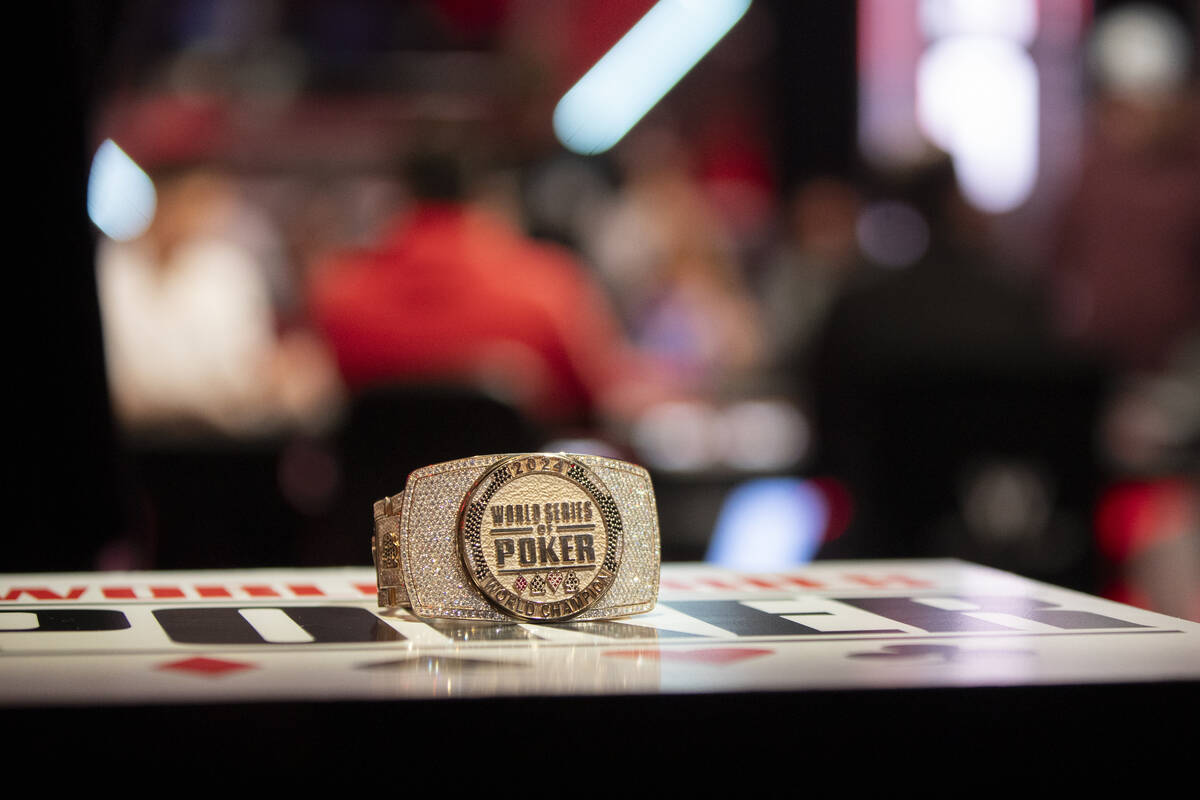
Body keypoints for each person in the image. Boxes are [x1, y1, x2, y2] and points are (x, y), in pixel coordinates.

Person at [308, 154, 665, 425]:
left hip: (382, 513)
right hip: (516, 513)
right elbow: (598, 398)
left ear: (402, 195)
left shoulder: (340, 293)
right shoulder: (548, 286)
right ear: (485, 195)